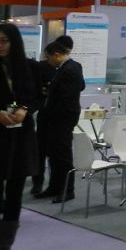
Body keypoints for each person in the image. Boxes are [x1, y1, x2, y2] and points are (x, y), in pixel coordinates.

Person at [0, 24, 42, 250]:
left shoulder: (29, 67)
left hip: (21, 138)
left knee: (15, 193)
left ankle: (5, 249)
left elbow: (37, 97)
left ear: (14, 41)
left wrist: (24, 109)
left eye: (4, 41)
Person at [34, 41, 85, 203]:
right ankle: (54, 186)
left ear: (56, 55)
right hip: (57, 119)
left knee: (62, 155)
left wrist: (52, 113)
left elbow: (66, 99)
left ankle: (67, 189)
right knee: (54, 154)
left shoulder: (69, 69)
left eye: (49, 58)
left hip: (62, 118)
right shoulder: (68, 67)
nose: (48, 61)